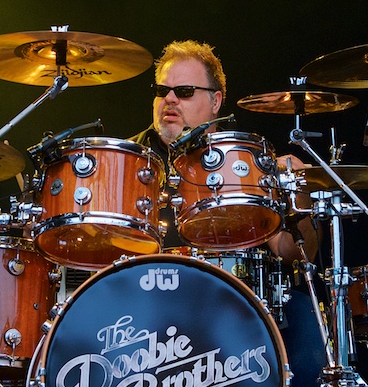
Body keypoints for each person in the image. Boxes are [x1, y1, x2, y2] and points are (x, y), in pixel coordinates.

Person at [130, 40, 318, 262]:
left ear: (215, 101)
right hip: (143, 288)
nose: (170, 99)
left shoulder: (242, 157)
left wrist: (302, 196)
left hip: (229, 288)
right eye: (162, 91)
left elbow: (293, 255)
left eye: (184, 91)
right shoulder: (128, 158)